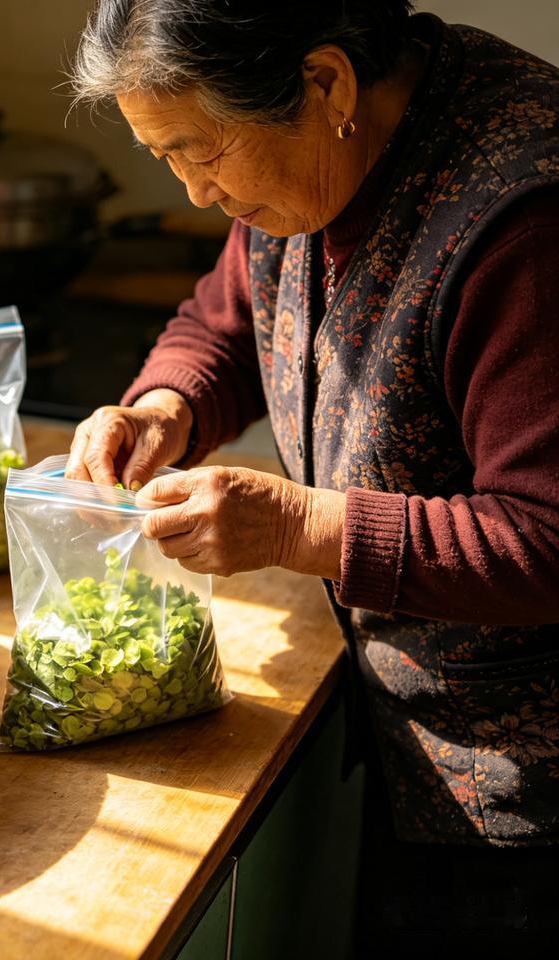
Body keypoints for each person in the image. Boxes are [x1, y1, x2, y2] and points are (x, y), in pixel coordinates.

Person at [64, 1, 559, 953]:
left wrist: (298, 529)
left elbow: (548, 534)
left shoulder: (524, 218)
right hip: (408, 740)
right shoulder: (306, 162)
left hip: (527, 808)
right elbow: (226, 319)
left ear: (325, 81)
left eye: (199, 152)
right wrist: (165, 407)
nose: (197, 193)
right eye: (165, 156)